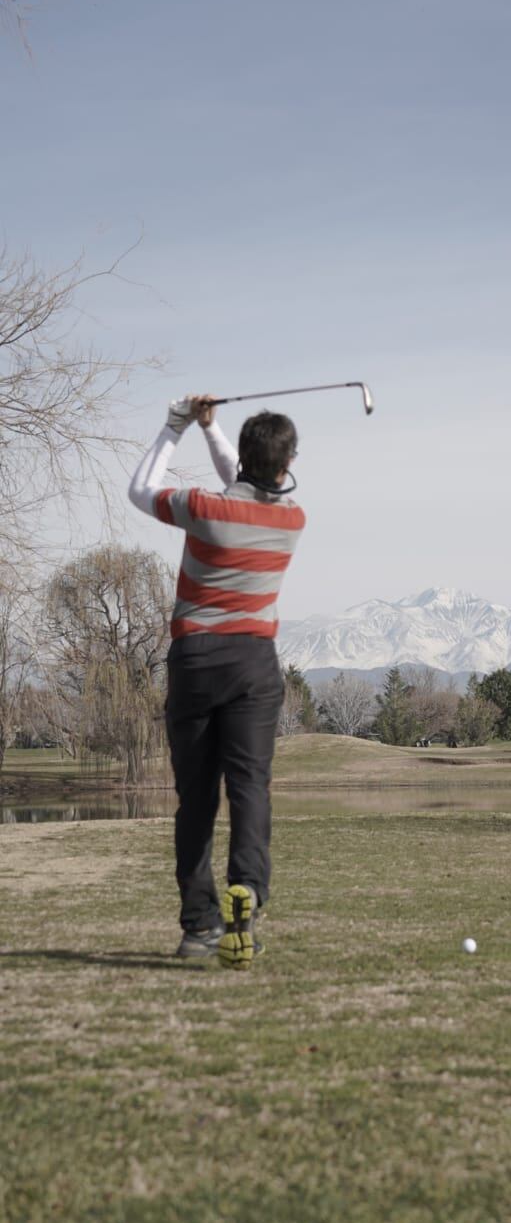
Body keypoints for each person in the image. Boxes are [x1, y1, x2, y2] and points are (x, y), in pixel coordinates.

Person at [128, 395, 305, 964]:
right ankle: (248, 889)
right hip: (255, 662)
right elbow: (250, 484)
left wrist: (178, 425)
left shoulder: (205, 509)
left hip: (197, 660)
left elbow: (140, 489)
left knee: (197, 799)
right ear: (287, 465)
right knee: (250, 786)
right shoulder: (290, 519)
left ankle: (200, 925)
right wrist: (215, 430)